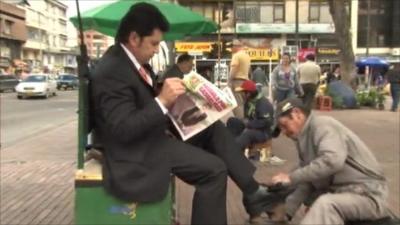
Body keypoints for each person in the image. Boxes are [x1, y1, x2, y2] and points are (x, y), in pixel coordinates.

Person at [91, 3, 280, 225]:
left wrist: (181, 101)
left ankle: (253, 191)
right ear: (134, 38)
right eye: (153, 43)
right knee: (214, 171)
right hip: (138, 150)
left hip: (152, 134)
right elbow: (123, 128)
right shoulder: (112, 70)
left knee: (212, 127)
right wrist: (162, 101)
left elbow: (140, 104)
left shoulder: (132, 63)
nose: (155, 49)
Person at [271, 98, 388, 225]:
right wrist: (287, 212)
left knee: (325, 205)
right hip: (347, 192)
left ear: (296, 113)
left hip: (368, 195)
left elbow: (332, 161)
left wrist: (291, 177)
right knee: (300, 189)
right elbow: (308, 180)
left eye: (283, 125)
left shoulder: (322, 125)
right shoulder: (305, 137)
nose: (283, 132)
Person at [226, 80, 274, 153]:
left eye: (243, 93)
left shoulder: (263, 103)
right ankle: (231, 142)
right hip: (251, 126)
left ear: (248, 93)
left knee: (248, 133)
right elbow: (247, 118)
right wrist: (245, 122)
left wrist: (249, 124)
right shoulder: (248, 101)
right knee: (232, 121)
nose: (241, 94)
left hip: (264, 132)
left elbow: (266, 122)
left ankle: (233, 150)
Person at [229, 39, 251, 119]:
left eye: (232, 46)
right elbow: (249, 70)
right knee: (243, 103)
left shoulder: (236, 56)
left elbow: (233, 69)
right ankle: (245, 122)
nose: (231, 48)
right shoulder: (247, 56)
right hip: (245, 82)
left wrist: (229, 81)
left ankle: (239, 123)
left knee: (237, 103)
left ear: (236, 46)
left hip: (237, 81)